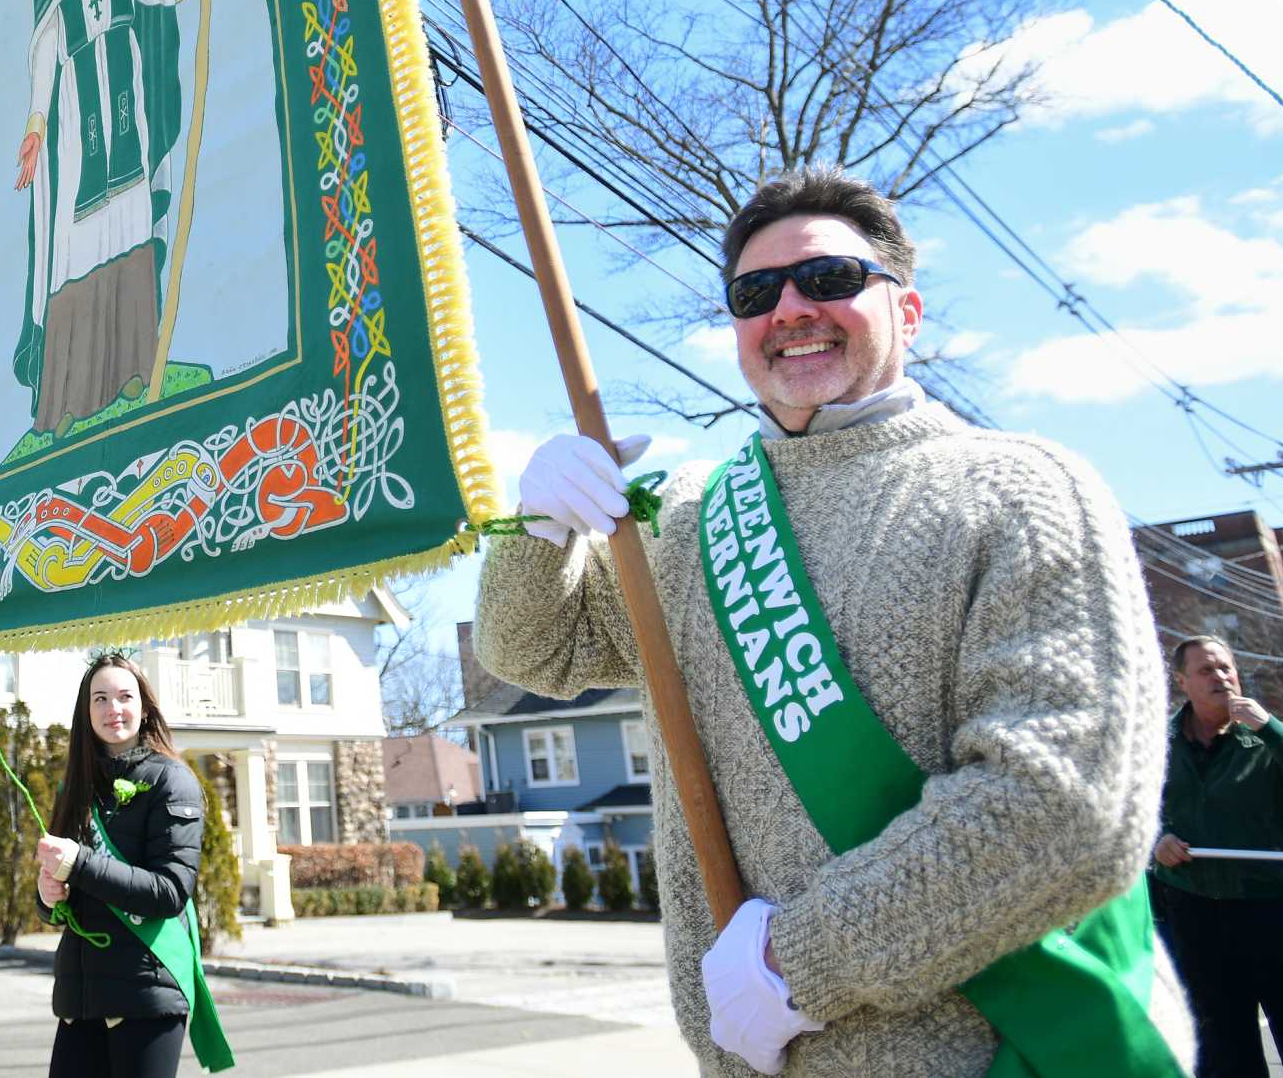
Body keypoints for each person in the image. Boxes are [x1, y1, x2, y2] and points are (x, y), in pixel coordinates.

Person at [476, 166, 1174, 1075]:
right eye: (755, 292)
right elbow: (531, 650)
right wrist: (537, 532)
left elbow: (1063, 810)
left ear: (908, 312)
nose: (792, 308)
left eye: (832, 279)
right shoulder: (688, 520)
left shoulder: (1021, 489)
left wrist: (792, 965)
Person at [12, 0, 226, 439]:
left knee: (131, 223)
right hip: (78, 116)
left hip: (126, 97)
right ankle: (72, 398)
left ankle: (136, 368)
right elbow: (44, 50)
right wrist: (37, 123)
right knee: (78, 241)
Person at [34, 651, 231, 1077]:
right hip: (80, 999)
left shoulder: (171, 780)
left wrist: (80, 863)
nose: (112, 709)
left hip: (147, 992)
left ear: (144, 708)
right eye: (99, 698)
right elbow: (64, 897)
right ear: (85, 712)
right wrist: (47, 895)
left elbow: (169, 891)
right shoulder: (75, 788)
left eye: (124, 696)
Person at [1150, 634, 1283, 1076]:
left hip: (1278, 911)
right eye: (1207, 670)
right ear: (1182, 680)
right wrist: (1157, 842)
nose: (1221, 676)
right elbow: (1132, 811)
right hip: (1197, 913)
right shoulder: (1155, 744)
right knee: (1223, 1051)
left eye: (1226, 667)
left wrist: (1276, 733)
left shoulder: (1269, 736)